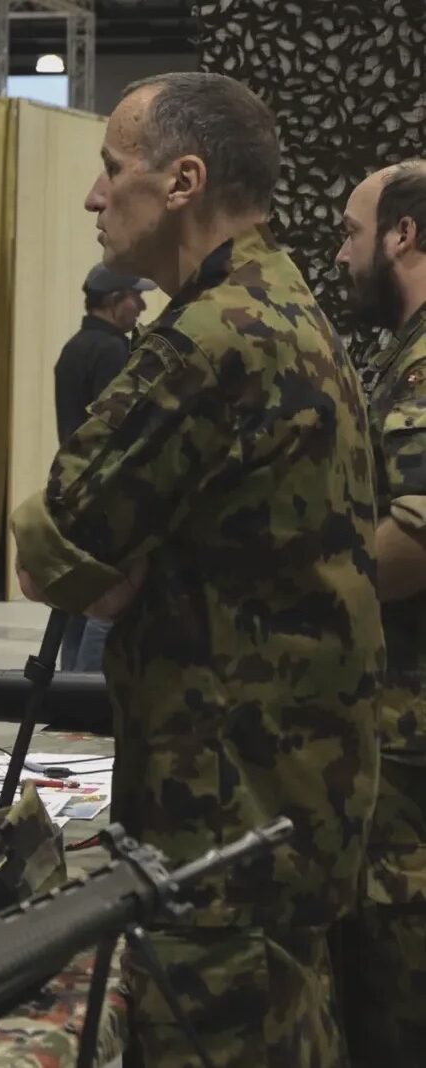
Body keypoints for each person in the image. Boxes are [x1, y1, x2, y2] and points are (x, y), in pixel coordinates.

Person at [10, 72, 381, 1067]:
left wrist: (99, 555)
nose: (94, 198)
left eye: (109, 169)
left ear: (182, 180)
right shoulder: (291, 306)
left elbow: (55, 539)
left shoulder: (206, 339)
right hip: (289, 805)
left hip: (216, 821)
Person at [333, 159, 426, 1065]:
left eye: (352, 234)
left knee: (397, 998)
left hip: (409, 743)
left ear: (402, 236)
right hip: (393, 733)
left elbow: (411, 540)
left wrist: (288, 589)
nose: (341, 256)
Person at [54, 264, 155, 673]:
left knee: (78, 598)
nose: (143, 305)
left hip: (76, 487)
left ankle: (65, 689)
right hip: (107, 490)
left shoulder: (74, 348)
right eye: (136, 296)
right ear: (115, 302)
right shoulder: (114, 353)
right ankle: (85, 692)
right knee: (106, 602)